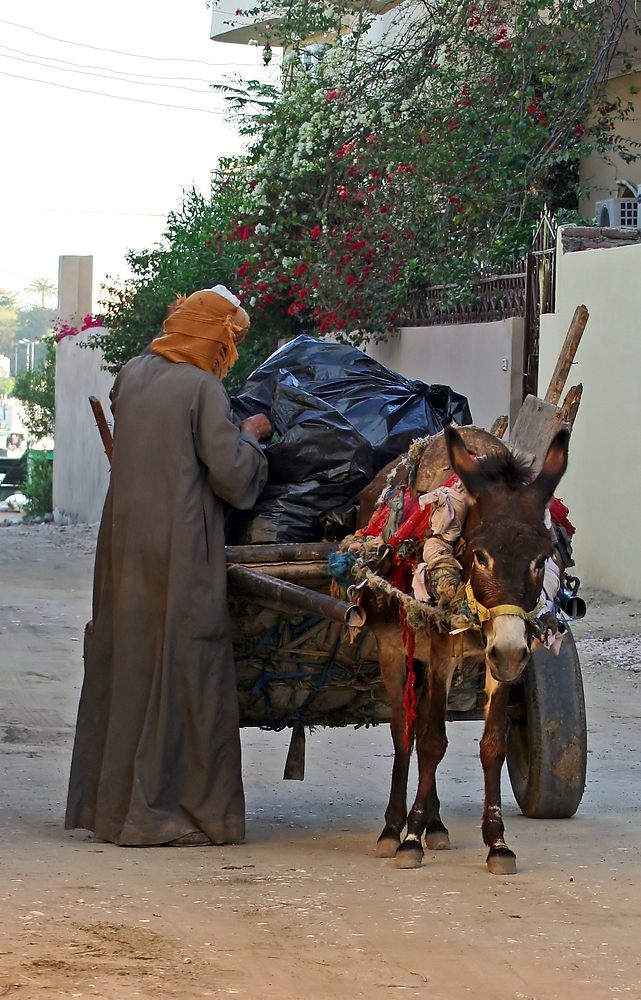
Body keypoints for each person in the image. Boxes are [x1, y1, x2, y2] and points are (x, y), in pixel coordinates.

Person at [65, 286, 272, 847]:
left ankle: (109, 810)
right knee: (186, 664)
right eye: (228, 341)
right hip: (181, 548)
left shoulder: (131, 374)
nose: (228, 356)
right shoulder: (201, 388)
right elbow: (232, 477)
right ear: (212, 335)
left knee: (129, 661)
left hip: (125, 546)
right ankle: (173, 810)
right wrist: (251, 440)